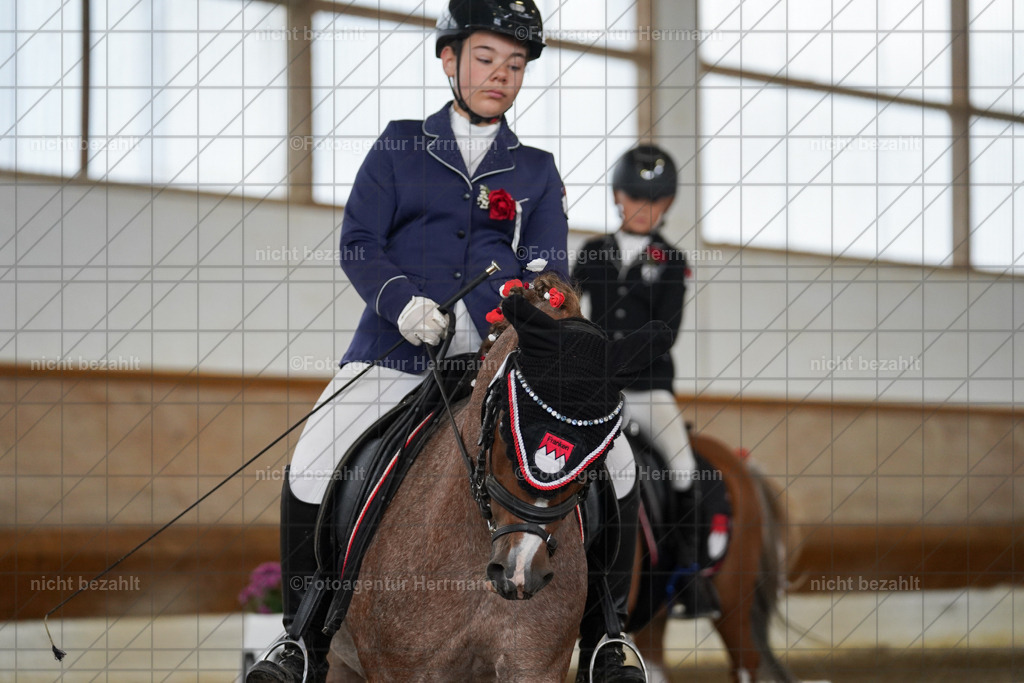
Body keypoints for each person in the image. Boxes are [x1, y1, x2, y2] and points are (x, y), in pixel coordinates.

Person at [247, 2, 641, 681]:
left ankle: (608, 633)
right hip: (396, 350)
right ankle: (302, 635)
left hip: (496, 359)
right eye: (487, 59)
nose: (502, 76)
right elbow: (359, 241)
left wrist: (539, 297)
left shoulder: (537, 169)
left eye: (515, 65)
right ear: (449, 60)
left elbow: (550, 263)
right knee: (312, 461)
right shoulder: (400, 144)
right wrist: (403, 303)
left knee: (623, 461)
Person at [574, 144, 728, 620]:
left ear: (665, 207)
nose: (644, 209)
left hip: (650, 393)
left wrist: (615, 363)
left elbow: (665, 334)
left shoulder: (671, 261)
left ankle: (688, 573)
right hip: (600, 395)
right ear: (618, 197)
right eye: (635, 198)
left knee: (684, 469)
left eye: (655, 202)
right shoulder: (592, 253)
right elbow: (578, 316)